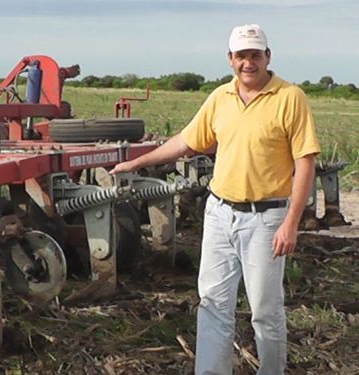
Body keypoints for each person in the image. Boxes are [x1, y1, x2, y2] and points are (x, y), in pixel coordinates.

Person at [111, 24, 320, 374]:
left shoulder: (290, 97)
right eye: (241, 56)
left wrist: (291, 223)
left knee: (265, 311)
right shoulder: (220, 97)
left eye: (255, 55)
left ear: (268, 57)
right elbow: (187, 141)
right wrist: (137, 161)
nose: (248, 63)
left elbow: (305, 161)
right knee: (212, 303)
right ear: (230, 59)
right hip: (220, 212)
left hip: (266, 218)